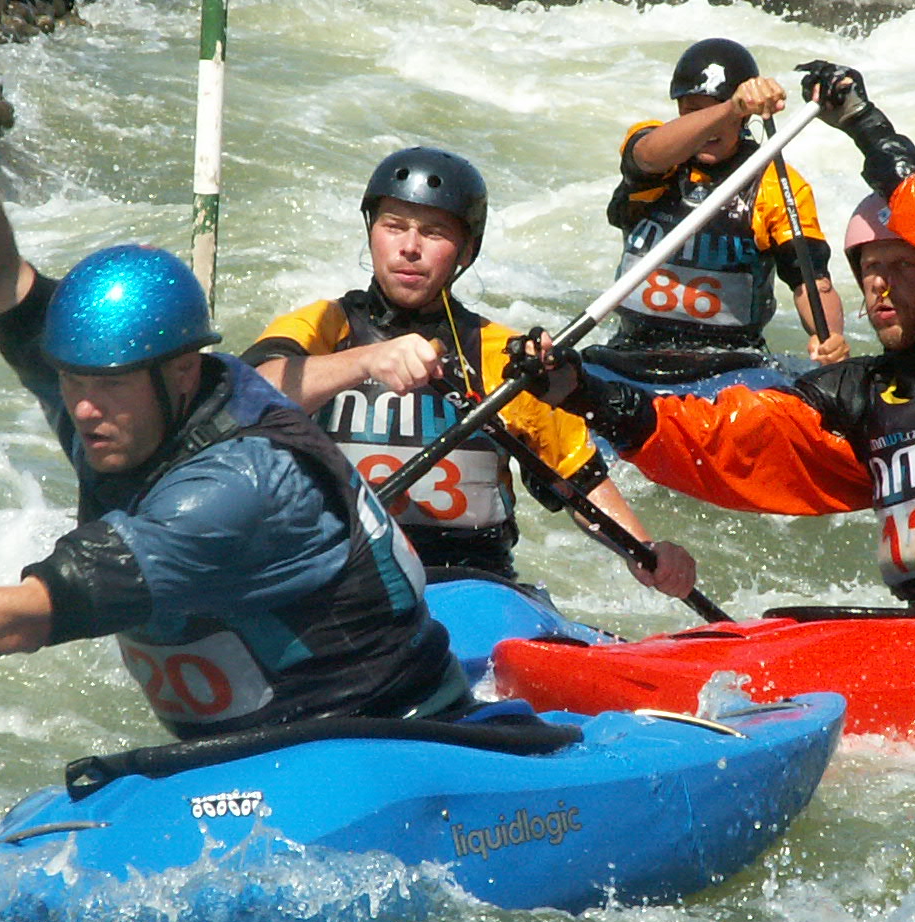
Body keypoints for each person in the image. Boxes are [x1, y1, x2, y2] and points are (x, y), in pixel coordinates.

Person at [0, 103, 467, 741]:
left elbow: (26, 619)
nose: (83, 409)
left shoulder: (236, 489)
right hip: (264, 745)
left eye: (106, 388)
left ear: (178, 373)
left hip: (386, 733)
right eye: (70, 382)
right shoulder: (118, 389)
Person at [512, 62, 915, 641]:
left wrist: (867, 127)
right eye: (870, 269)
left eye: (901, 267)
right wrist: (584, 393)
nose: (880, 284)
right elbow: (728, 442)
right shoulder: (864, 395)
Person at [243, 145, 699, 601]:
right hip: (343, 577)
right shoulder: (322, 326)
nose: (409, 248)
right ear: (371, 232)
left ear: (466, 251)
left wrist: (645, 551)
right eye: (394, 226)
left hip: (472, 583)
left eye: (434, 233)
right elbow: (246, 397)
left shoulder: (504, 355)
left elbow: (579, 481)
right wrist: (362, 362)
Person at [590, 38, 849, 393]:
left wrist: (830, 335)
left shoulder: (775, 183)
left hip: (732, 368)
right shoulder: (658, 151)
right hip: (629, 356)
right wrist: (729, 108)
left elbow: (811, 281)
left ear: (746, 118)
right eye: (692, 110)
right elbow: (647, 156)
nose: (707, 127)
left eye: (717, 112)